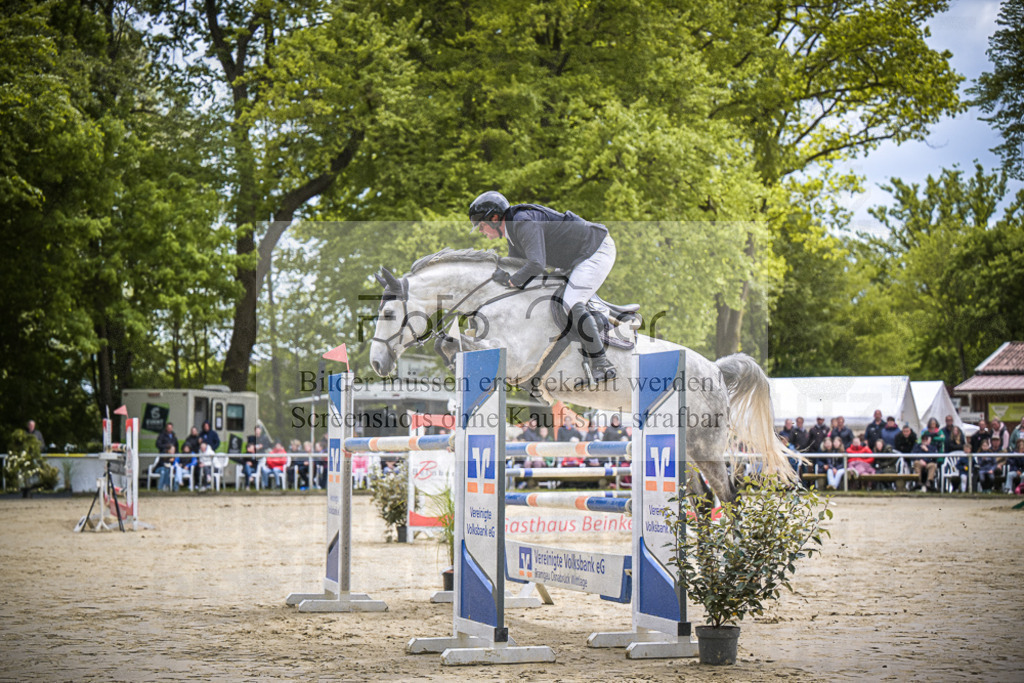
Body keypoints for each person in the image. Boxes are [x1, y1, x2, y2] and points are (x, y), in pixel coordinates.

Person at [468, 191, 617, 382]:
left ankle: (602, 363)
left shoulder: (522, 222)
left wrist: (511, 280)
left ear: (494, 218)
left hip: (595, 250)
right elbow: (520, 265)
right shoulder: (514, 231)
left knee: (570, 302)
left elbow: (536, 265)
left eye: (481, 226)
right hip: (575, 257)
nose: (481, 231)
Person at [241, 425, 271, 489]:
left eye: (258, 430)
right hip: (252, 458)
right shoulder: (251, 439)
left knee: (262, 469)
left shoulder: (264, 438)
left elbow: (268, 445)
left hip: (260, 458)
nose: (257, 431)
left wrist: (262, 446)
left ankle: (263, 485)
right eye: (256, 430)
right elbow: (248, 447)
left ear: (260, 431)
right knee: (247, 466)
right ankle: (250, 481)